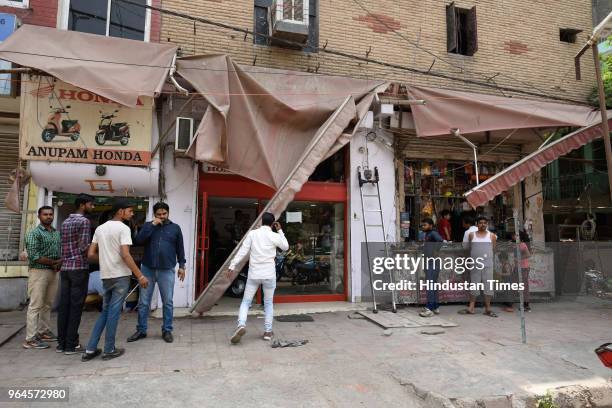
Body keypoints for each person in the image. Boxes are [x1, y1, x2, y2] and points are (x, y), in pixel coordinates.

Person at [82, 199, 149, 361]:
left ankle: (90, 349)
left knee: (106, 311)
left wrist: (106, 259)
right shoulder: (123, 229)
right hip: (120, 276)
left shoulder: (100, 228)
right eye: (130, 211)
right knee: (113, 312)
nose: (132, 214)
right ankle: (109, 349)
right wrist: (139, 275)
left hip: (106, 275)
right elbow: (126, 254)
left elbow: (90, 254)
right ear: (120, 211)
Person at [128, 202, 186, 344]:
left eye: (164, 214)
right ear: (154, 214)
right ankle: (141, 330)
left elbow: (180, 248)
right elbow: (138, 240)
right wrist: (152, 225)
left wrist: (182, 266)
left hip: (167, 270)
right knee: (143, 302)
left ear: (168, 213)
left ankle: (167, 330)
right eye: (159, 214)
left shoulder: (175, 228)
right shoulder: (148, 226)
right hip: (147, 268)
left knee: (168, 302)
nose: (162, 217)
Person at [228, 212, 289, 344]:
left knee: (246, 302)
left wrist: (233, 265)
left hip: (254, 274)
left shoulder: (252, 234)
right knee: (268, 303)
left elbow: (243, 251)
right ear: (273, 223)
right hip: (269, 275)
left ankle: (241, 325)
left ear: (261, 221)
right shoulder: (274, 235)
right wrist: (280, 231)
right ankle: (267, 332)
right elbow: (285, 247)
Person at [57, 193, 95, 355]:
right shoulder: (84, 221)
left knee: (64, 306)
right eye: (91, 204)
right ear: (82, 205)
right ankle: (71, 345)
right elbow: (84, 247)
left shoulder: (65, 221)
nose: (93, 207)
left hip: (65, 269)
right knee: (76, 307)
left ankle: (62, 343)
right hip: (78, 268)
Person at [22, 206, 62, 349]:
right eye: (45, 214)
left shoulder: (56, 233)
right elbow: (34, 256)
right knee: (35, 305)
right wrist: (53, 263)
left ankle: (43, 331)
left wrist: (59, 263)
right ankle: (30, 339)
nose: (49, 217)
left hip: (53, 272)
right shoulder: (34, 233)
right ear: (39, 216)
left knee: (48, 304)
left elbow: (59, 251)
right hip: (38, 272)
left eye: (51, 214)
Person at [460, 216, 498, 317]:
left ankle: (488, 308)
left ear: (487, 224)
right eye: (480, 223)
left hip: (488, 264)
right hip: (475, 264)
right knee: (474, 285)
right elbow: (468, 248)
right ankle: (471, 307)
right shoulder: (472, 235)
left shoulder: (492, 236)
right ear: (477, 224)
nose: (483, 224)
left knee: (488, 286)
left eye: (485, 223)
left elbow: (493, 249)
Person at [418, 218, 444, 318]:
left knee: (430, 285)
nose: (423, 227)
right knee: (433, 284)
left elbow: (440, 241)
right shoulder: (427, 235)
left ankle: (429, 308)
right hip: (430, 262)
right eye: (422, 225)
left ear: (431, 225)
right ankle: (436, 306)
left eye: (425, 225)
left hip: (432, 262)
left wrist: (435, 252)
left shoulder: (433, 233)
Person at [503, 230, 531, 313]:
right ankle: (511, 303)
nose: (513, 236)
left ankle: (526, 305)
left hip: (523, 268)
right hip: (517, 267)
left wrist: (518, 258)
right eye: (513, 235)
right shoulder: (515, 244)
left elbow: (528, 255)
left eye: (514, 235)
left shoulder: (522, 245)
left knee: (523, 286)